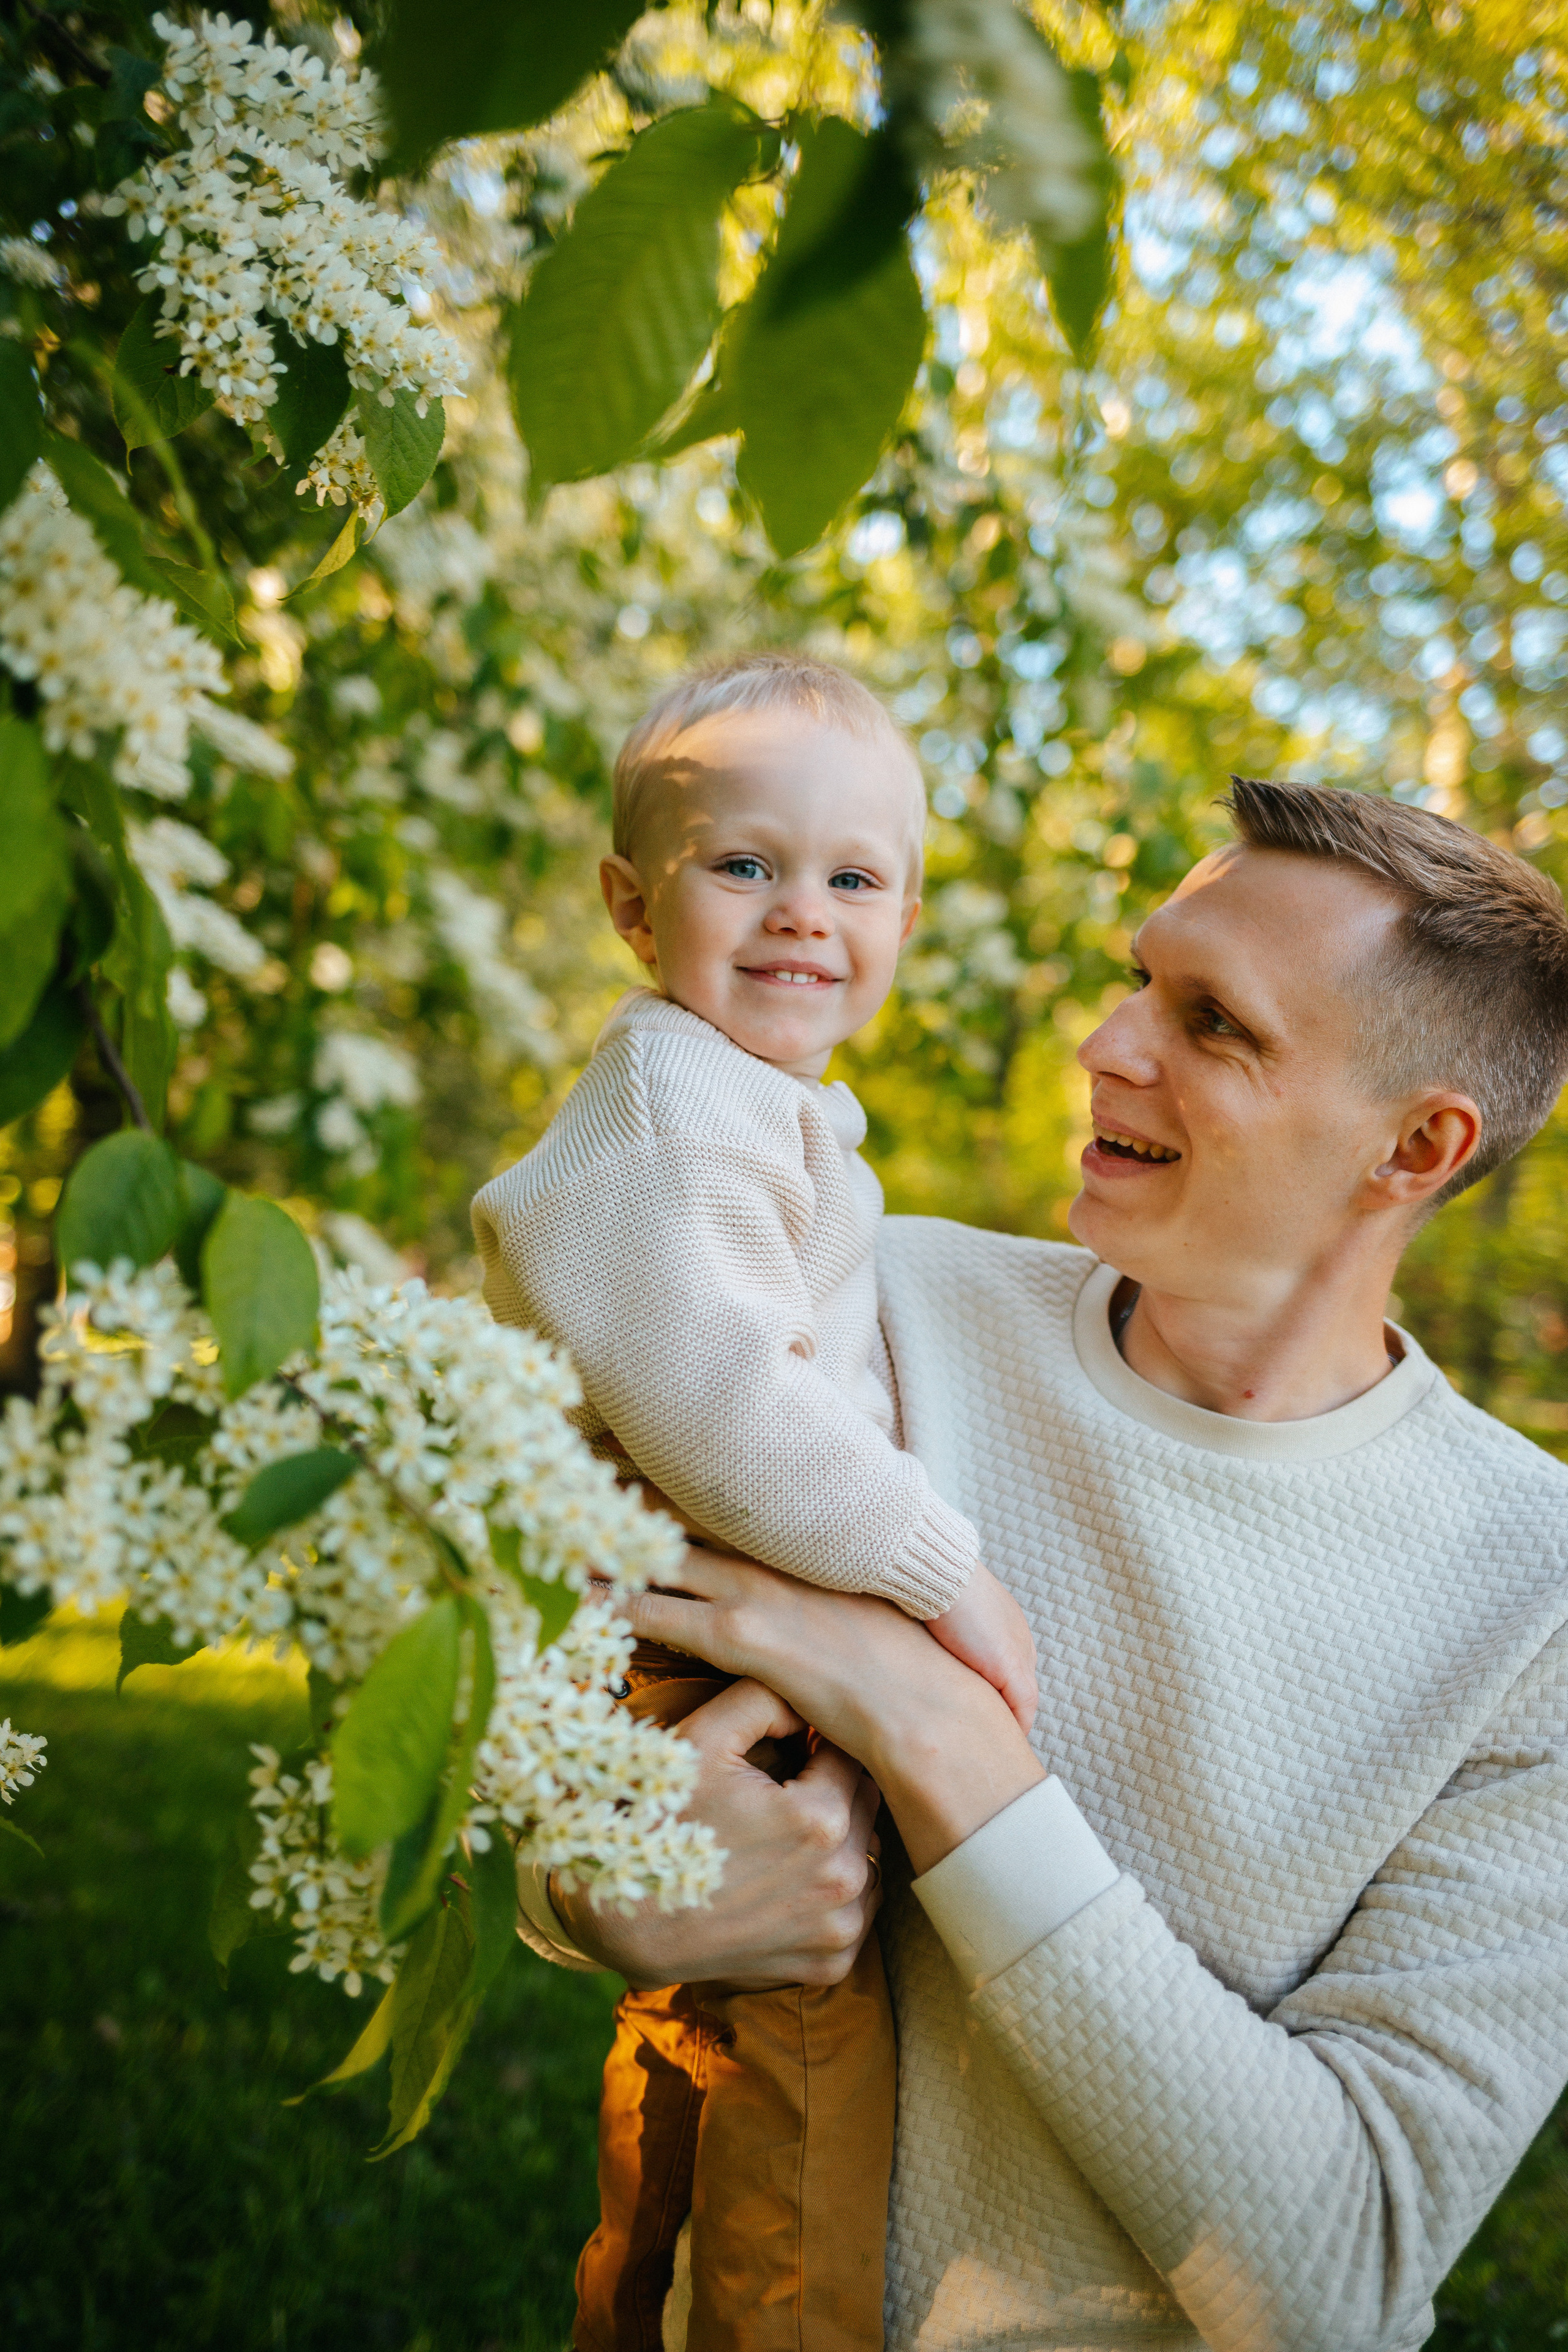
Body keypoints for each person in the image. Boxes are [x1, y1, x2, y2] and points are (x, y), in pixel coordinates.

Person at [522, 776, 1568, 2352]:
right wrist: (584, 1893)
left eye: (1211, 1022)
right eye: (1138, 976)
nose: (1106, 1043)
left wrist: (940, 1736)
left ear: (1414, 1146)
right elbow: (577, 1666)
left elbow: (1341, 2272)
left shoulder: (1530, 1590)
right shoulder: (857, 1308)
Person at [472, 653, 1036, 2352]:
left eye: (854, 878)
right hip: (703, 1649)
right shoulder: (669, 1105)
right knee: (797, 2078)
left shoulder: (757, 1107)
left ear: (909, 915)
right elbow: (721, 1408)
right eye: (747, 865)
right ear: (632, 907)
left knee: (708, 2060)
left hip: (713, 1635)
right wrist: (946, 1575)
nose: (805, 914)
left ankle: (640, 2311)